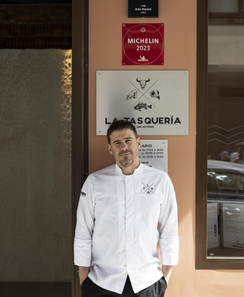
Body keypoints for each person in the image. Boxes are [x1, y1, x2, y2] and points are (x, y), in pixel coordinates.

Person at [74, 120, 179, 297]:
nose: (124, 147)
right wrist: (84, 278)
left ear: (138, 143)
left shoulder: (160, 181)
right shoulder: (94, 182)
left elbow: (169, 231)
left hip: (147, 282)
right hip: (102, 283)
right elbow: (83, 232)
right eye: (117, 143)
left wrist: (165, 279)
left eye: (128, 140)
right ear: (110, 149)